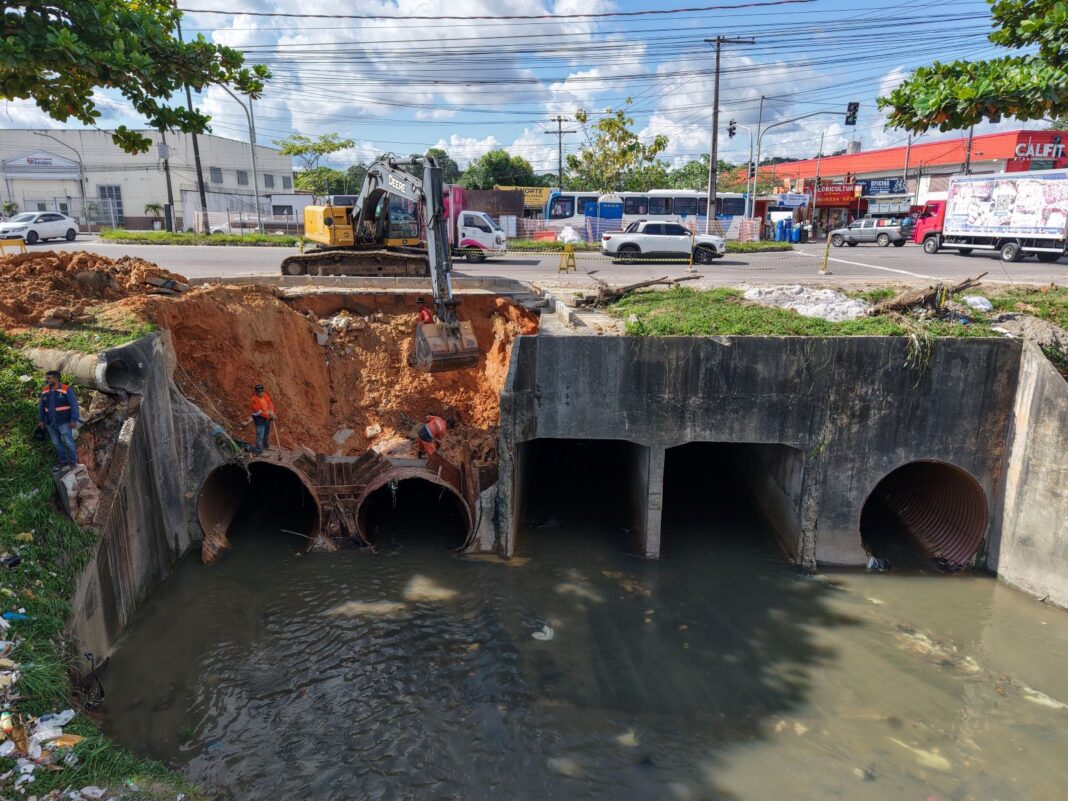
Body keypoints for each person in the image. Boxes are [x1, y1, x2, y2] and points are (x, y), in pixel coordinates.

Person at [38, 370, 80, 470]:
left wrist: (73, 420)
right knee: (56, 443)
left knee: (69, 442)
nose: (47, 380)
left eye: (49, 378)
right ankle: (63, 461)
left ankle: (73, 462)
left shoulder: (66, 389)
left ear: (56, 379)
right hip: (50, 423)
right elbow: (41, 407)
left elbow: (74, 405)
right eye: (46, 378)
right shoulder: (45, 390)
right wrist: (41, 420)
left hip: (64, 422)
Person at [249, 383, 276, 453]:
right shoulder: (253, 400)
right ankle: (259, 450)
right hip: (259, 418)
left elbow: (270, 404)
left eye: (261, 391)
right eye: (259, 392)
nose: (260, 393)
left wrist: (272, 412)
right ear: (256, 392)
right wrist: (269, 414)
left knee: (266, 433)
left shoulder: (265, 396)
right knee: (260, 434)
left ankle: (266, 446)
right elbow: (259, 412)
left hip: (267, 417)